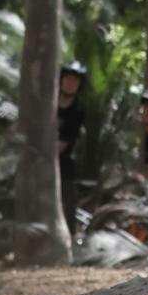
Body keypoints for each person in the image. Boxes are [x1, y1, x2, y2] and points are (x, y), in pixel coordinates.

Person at [55, 59, 89, 205]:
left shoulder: (78, 111)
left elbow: (63, 144)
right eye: (68, 78)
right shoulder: (47, 101)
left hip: (61, 165)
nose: (70, 83)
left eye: (75, 81)